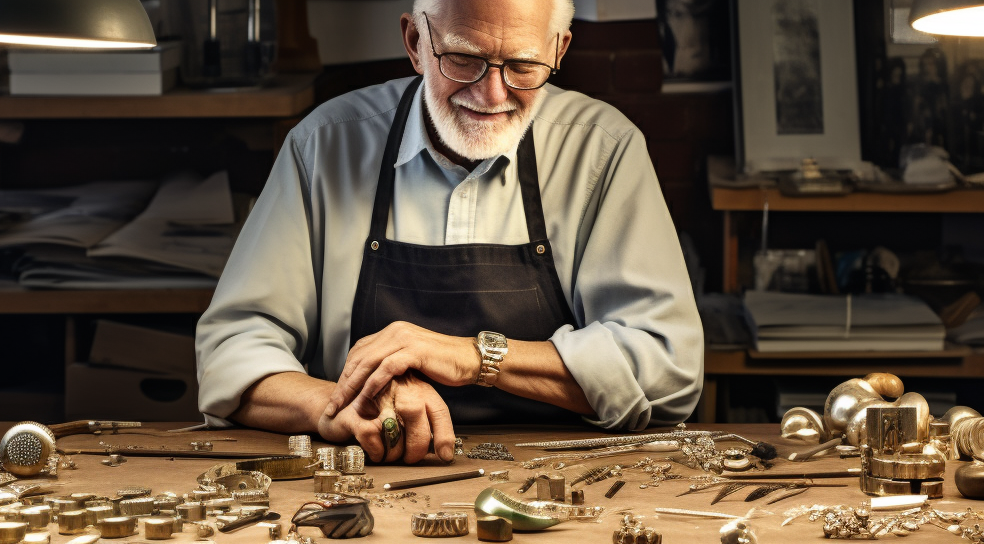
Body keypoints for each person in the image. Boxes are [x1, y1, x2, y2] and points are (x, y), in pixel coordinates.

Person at [194, 0, 703, 465]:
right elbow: (233, 348)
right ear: (415, 42)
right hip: (369, 470)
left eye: (523, 66)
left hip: (561, 480)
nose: (492, 94)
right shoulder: (325, 146)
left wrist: (475, 355)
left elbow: (667, 368)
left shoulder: (604, 150)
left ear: (559, 51)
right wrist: (335, 405)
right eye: (464, 59)